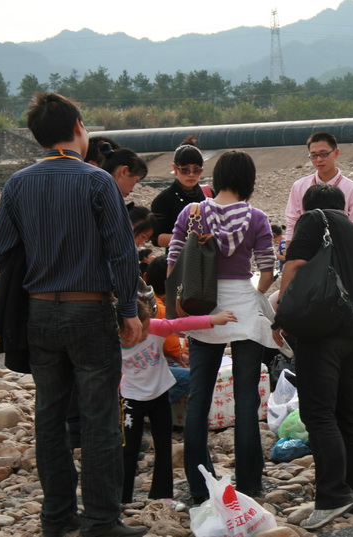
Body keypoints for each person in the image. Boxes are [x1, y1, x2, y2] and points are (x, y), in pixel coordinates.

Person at [0, 92, 145, 537]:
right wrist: (130, 311)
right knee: (97, 418)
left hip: (39, 314)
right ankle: (101, 519)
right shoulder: (97, 181)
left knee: (49, 416)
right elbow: (122, 253)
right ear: (79, 126)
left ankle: (57, 516)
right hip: (90, 312)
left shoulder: (19, 183)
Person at [168, 150, 277, 503]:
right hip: (243, 311)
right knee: (247, 398)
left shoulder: (192, 212)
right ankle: (250, 482)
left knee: (199, 396)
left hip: (203, 308)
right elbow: (267, 270)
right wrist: (251, 296)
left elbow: (172, 265)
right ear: (248, 181)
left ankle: (200, 485)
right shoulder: (257, 218)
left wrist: (179, 313)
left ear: (216, 178)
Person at [273, 184, 353, 530]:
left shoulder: (313, 220)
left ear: (308, 208)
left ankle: (332, 495)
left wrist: (282, 317)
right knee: (347, 414)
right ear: (344, 207)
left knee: (318, 414)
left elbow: (293, 267)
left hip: (322, 331)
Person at [117, 298, 237, 505]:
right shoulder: (109, 340)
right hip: (130, 399)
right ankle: (122, 498)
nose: (142, 334)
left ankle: (162, 495)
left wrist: (214, 319)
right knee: (128, 449)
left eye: (145, 329)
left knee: (164, 446)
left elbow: (179, 324)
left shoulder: (156, 328)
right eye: (134, 331)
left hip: (160, 394)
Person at [284, 132, 353, 242]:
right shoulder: (299, 186)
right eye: (313, 155)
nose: (318, 160)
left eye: (324, 154)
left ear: (336, 153)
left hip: (340, 249)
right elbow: (292, 221)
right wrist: (290, 253)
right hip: (307, 250)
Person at [144, 255, 191, 404]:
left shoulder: (139, 303)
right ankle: (153, 406)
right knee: (190, 376)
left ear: (145, 277)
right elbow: (173, 350)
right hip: (153, 367)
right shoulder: (161, 310)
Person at [151, 137, 208, 250]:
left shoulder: (208, 194)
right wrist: (190, 240)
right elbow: (156, 238)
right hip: (178, 261)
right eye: (185, 170)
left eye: (196, 170)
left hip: (207, 261)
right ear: (175, 168)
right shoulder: (163, 200)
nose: (191, 175)